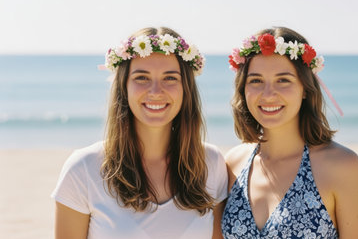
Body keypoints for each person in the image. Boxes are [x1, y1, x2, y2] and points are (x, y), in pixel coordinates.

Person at [52, 27, 228, 239]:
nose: (155, 91)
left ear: (186, 89)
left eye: (170, 78)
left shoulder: (212, 163)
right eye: (142, 77)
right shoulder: (83, 169)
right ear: (123, 86)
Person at [221, 27, 358, 238]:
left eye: (283, 80)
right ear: (243, 89)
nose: (268, 94)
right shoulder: (233, 163)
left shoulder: (342, 166)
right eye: (256, 80)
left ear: (305, 89)